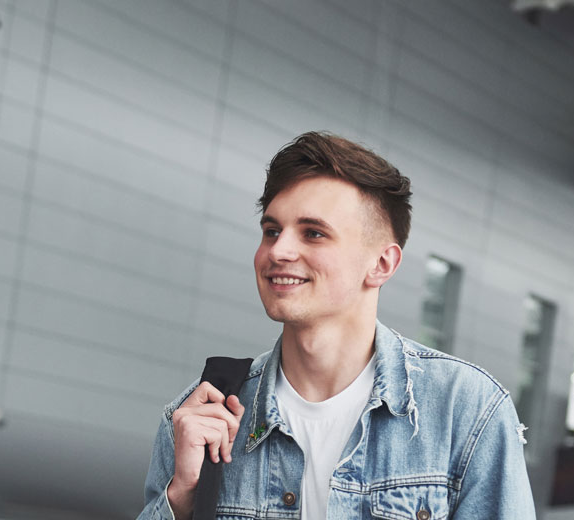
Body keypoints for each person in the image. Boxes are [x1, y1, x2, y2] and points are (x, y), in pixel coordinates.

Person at [138, 132, 536, 519]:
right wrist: (181, 498)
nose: (278, 250)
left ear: (381, 264)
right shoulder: (199, 415)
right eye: (272, 231)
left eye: (313, 233)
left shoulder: (465, 409)